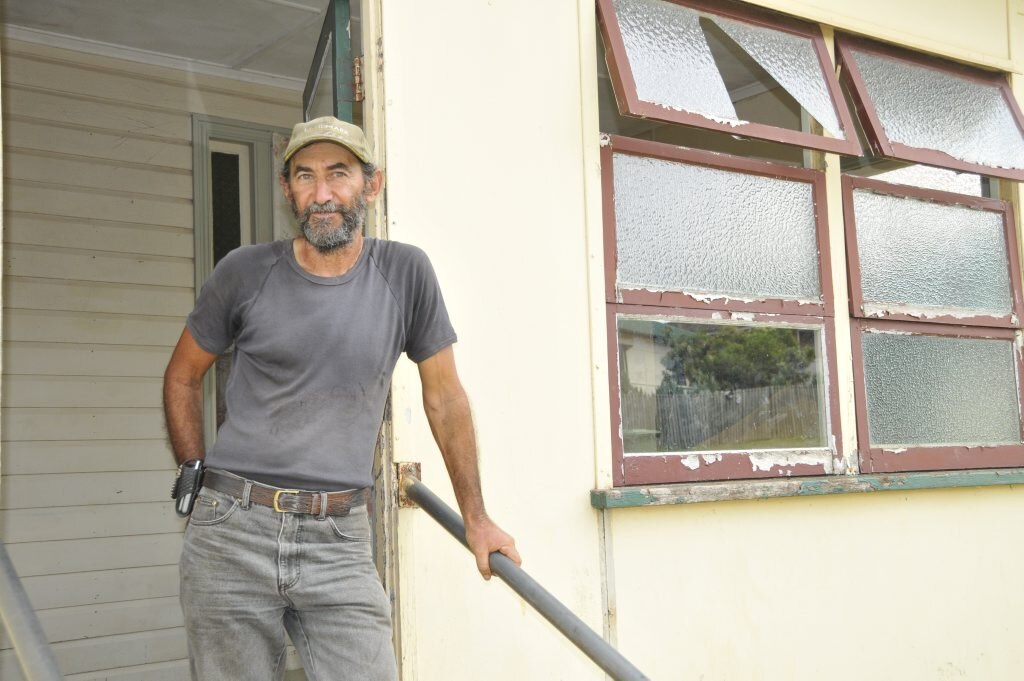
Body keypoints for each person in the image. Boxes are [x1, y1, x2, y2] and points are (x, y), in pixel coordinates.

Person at [163, 116, 521, 680]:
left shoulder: (405, 273)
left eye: (339, 173)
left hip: (338, 536)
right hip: (232, 530)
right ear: (288, 190)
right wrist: (192, 470)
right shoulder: (244, 272)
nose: (322, 193)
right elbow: (182, 376)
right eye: (305, 176)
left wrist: (476, 518)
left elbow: (445, 399)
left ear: (371, 186)